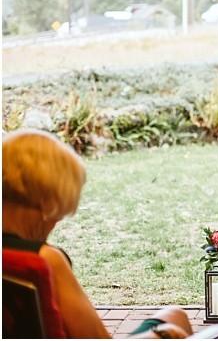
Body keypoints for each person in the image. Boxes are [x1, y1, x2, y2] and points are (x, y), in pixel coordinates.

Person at [2, 129, 193, 339]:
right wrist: (164, 335)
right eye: (58, 212)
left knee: (175, 314)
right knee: (174, 326)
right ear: (46, 201)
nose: (55, 222)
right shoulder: (43, 261)